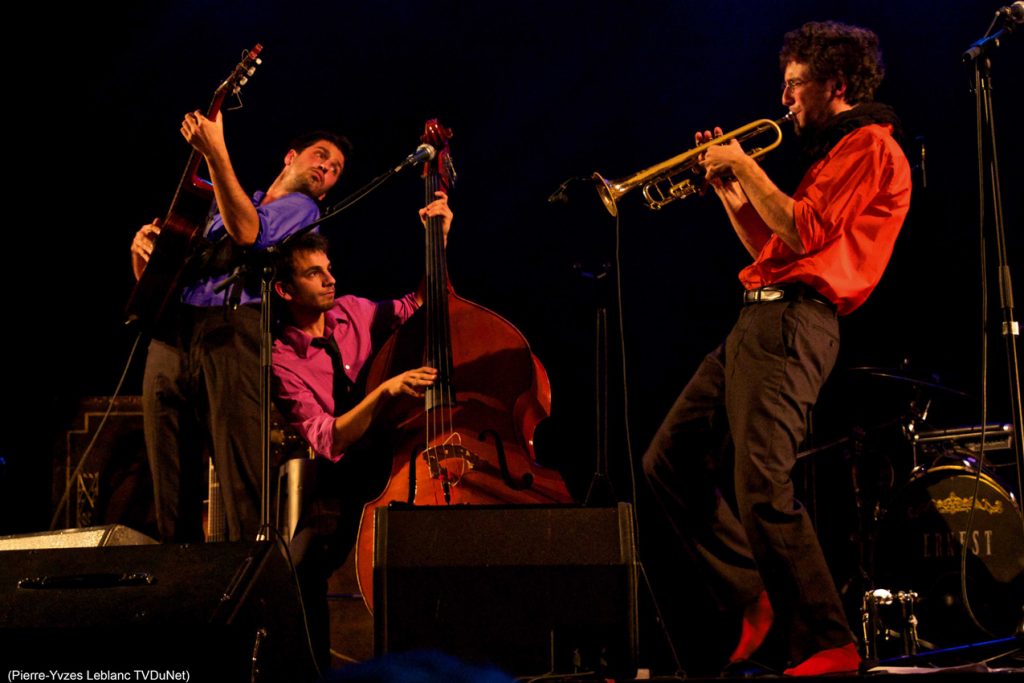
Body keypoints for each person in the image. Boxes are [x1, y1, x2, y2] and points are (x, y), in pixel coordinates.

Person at [642, 21, 911, 676]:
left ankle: (827, 640)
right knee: (667, 460)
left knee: (762, 478)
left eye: (794, 85)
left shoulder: (871, 145)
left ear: (834, 84)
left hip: (796, 323)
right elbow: (772, 249)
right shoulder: (833, 153)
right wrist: (732, 190)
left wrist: (744, 163)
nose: (784, 99)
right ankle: (754, 592)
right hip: (758, 317)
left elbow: (806, 228)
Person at [130, 109, 350, 543]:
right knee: (169, 490)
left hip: (234, 333)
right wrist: (143, 254)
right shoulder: (230, 201)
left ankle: (249, 597)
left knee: (241, 487)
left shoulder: (302, 209)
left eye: (336, 169)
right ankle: (182, 598)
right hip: (174, 333)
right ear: (290, 157)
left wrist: (215, 151)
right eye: (320, 156)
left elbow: (251, 234)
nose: (327, 167)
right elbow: (164, 282)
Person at [270, 194, 451, 667]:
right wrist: (386, 392)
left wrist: (440, 239)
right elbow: (327, 438)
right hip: (343, 476)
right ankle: (316, 673)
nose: (331, 278)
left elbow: (421, 306)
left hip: (398, 460)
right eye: (314, 273)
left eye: (329, 268)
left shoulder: (355, 311)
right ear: (285, 291)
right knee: (302, 564)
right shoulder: (281, 359)